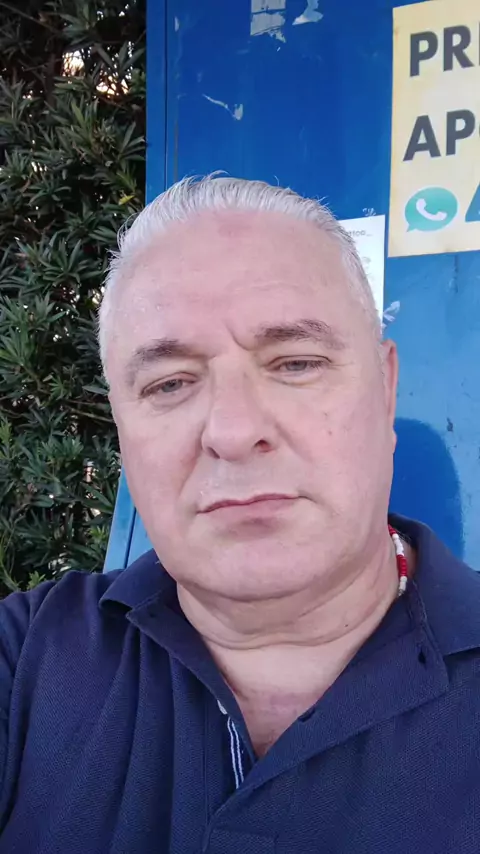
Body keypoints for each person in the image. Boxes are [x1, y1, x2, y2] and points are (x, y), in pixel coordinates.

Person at [0, 175, 479, 854]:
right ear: (121, 429)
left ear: (385, 388)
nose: (232, 430)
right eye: (170, 383)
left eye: (296, 363)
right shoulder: (24, 659)